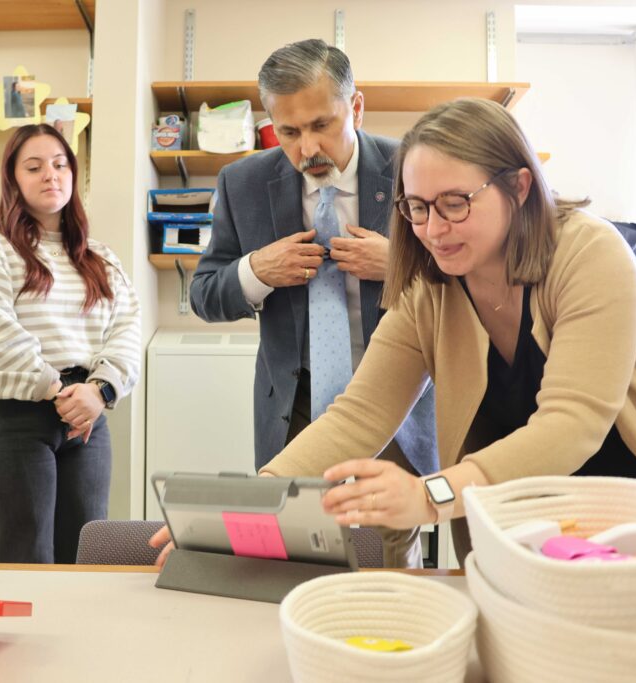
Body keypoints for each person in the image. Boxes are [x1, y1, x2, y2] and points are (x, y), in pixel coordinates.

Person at [257, 97, 636, 561]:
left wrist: (432, 496)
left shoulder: (588, 252)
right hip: (563, 517)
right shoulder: (430, 286)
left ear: (519, 187)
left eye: (455, 203)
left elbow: (571, 423)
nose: (432, 230)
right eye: (418, 207)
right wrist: (258, 495)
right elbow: (360, 415)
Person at [154, 39, 437, 568]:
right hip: (297, 404)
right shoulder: (244, 182)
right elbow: (205, 296)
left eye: (322, 125)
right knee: (296, 556)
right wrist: (254, 272)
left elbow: (463, 281)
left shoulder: (411, 168)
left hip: (398, 399)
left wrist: (398, 264)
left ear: (355, 107)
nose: (308, 148)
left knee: (393, 558)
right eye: (289, 132)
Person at [0, 123, 141, 564]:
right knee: (23, 559)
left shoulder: (99, 257)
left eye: (59, 165)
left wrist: (99, 391)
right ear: (13, 180)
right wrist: (60, 392)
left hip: (87, 419)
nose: (50, 175)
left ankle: (78, 637)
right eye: (33, 167)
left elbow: (127, 328)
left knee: (86, 557)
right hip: (10, 416)